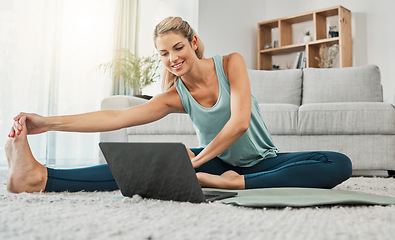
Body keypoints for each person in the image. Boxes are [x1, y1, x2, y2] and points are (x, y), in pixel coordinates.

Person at [5, 17, 352, 194]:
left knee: (338, 163)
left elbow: (241, 122)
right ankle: (40, 178)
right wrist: (46, 123)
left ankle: (229, 185)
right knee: (141, 167)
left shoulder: (231, 63)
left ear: (193, 42)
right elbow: (116, 116)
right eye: (164, 53)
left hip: (264, 162)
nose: (172, 58)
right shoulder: (176, 95)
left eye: (178, 48)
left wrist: (197, 164)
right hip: (214, 164)